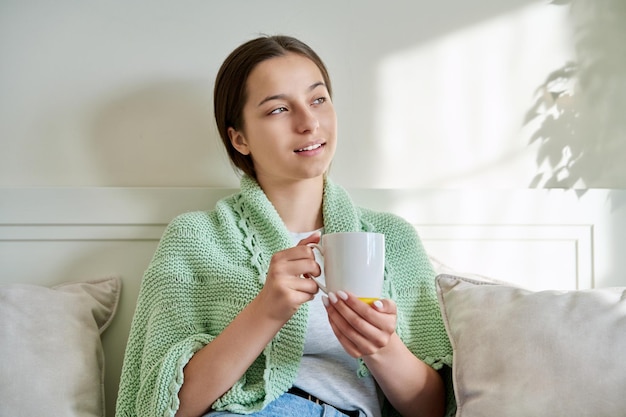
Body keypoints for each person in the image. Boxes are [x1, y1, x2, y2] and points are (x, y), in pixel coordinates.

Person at [115, 35, 454, 417]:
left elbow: (433, 410)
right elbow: (164, 407)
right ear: (239, 138)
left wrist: (382, 346)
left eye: (318, 100)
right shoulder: (195, 239)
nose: (309, 123)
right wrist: (267, 311)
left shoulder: (391, 239)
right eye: (278, 109)